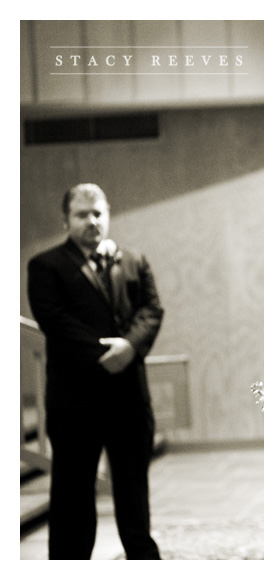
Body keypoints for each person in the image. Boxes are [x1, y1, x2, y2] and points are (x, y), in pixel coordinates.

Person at [27, 183, 163, 559]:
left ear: (108, 214)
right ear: (66, 219)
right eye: (82, 214)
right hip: (75, 402)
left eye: (98, 213)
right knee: (72, 497)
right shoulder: (46, 265)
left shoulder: (134, 260)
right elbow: (54, 320)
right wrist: (107, 350)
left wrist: (130, 346)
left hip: (130, 400)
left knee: (134, 495)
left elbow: (152, 310)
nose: (92, 221)